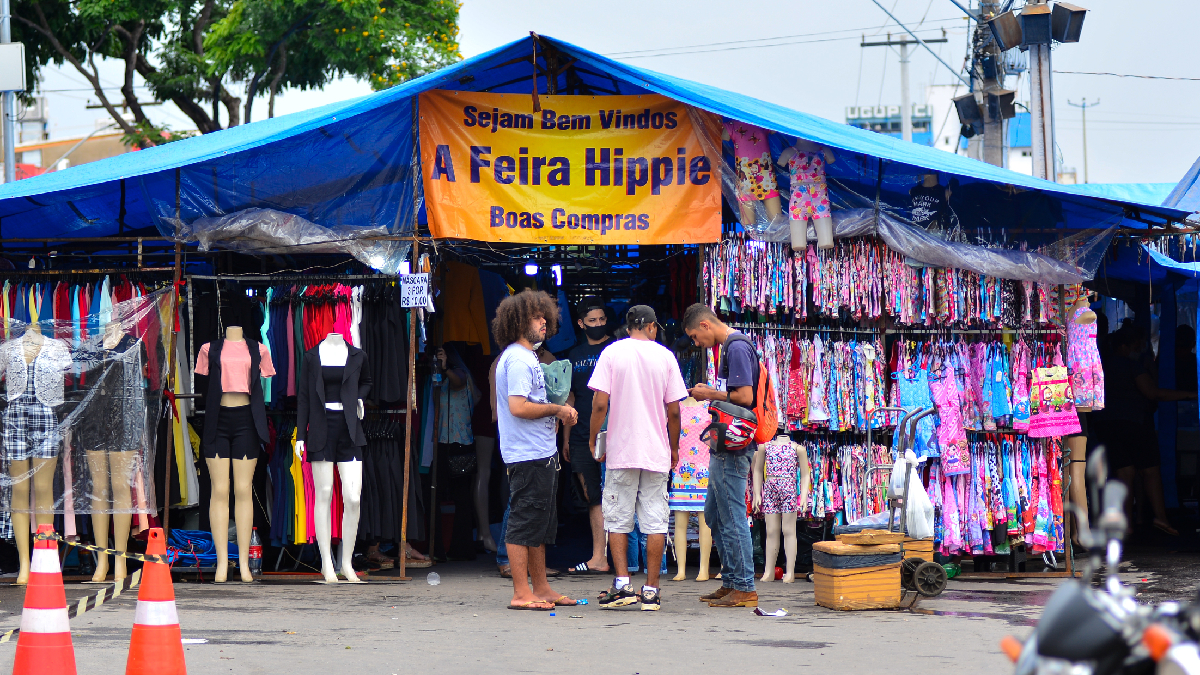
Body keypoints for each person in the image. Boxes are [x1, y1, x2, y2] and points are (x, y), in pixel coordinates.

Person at [589, 305, 686, 611]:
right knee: (655, 520)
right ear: (652, 326)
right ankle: (651, 591)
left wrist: (594, 438)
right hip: (655, 451)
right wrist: (673, 447)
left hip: (621, 449)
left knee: (618, 518)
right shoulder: (665, 357)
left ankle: (622, 586)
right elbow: (674, 411)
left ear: (629, 326)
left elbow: (600, 404)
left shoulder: (611, 353)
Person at [491, 290, 578, 610]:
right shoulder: (517, 359)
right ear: (518, 322)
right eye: (536, 317)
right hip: (527, 455)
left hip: (540, 453)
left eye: (544, 317)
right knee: (523, 523)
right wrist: (557, 410)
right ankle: (521, 593)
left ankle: (541, 588)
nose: (543, 322)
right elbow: (517, 407)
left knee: (539, 525)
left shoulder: (527, 356)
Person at [681, 303, 760, 608]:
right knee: (715, 513)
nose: (697, 343)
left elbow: (745, 397)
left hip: (733, 445)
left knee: (732, 515)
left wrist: (710, 394)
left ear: (705, 325)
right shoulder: (731, 346)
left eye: (694, 336)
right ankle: (731, 581)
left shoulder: (735, 346)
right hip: (725, 443)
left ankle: (744, 586)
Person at [1096, 327, 1196, 536]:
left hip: (1108, 424)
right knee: (1150, 471)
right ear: (1125, 346)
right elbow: (1152, 393)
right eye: (1137, 345)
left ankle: (1126, 522)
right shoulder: (1132, 366)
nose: (1140, 349)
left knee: (1125, 472)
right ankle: (1160, 517)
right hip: (1135, 423)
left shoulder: (1103, 365)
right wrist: (1189, 394)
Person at [563, 296, 612, 576]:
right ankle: (598, 557)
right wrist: (566, 438)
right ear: (581, 324)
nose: (597, 324)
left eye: (601, 319)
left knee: (617, 494)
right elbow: (570, 398)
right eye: (592, 321)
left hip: (613, 432)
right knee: (591, 494)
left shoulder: (615, 349)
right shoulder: (573, 355)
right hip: (581, 434)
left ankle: (627, 558)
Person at [432, 345, 480, 561]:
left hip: (459, 442)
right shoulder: (440, 380)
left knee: (460, 497)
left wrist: (445, 368)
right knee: (439, 494)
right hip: (445, 441)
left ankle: (461, 549)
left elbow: (458, 381)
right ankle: (441, 549)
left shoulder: (461, 374)